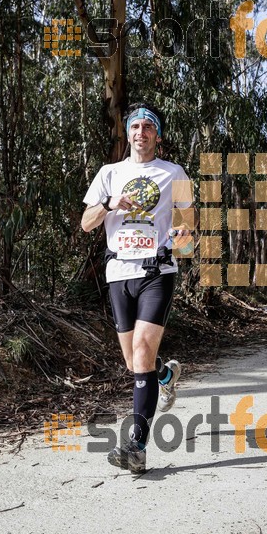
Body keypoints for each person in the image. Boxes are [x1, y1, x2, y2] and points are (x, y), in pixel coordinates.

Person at [81, 102, 193, 473]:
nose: (141, 132)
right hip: (118, 274)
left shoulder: (173, 173)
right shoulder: (109, 174)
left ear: (157, 136)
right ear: (127, 133)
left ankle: (136, 447)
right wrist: (110, 204)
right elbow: (85, 223)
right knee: (135, 363)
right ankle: (165, 375)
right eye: (135, 126)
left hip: (157, 271)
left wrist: (182, 236)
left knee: (142, 351)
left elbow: (189, 233)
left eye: (148, 126)